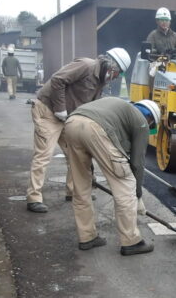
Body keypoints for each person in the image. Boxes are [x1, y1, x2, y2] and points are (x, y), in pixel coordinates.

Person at [26, 48, 130, 213]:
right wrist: (60, 108)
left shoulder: (100, 81)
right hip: (48, 110)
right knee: (43, 155)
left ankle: (73, 191)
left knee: (76, 154)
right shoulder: (86, 66)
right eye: (118, 74)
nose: (116, 78)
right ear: (112, 66)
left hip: (67, 117)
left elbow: (91, 106)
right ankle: (34, 197)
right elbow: (57, 80)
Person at [61, 97, 158, 256]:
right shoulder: (141, 121)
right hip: (95, 128)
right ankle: (131, 241)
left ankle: (87, 237)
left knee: (81, 186)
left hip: (71, 124)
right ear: (150, 119)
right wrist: (138, 194)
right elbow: (137, 162)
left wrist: (90, 171)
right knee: (125, 183)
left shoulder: (118, 108)